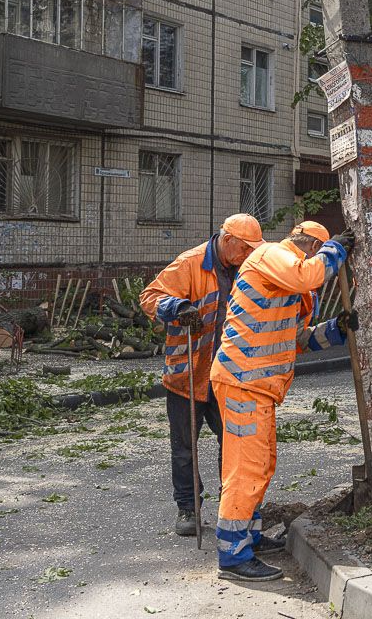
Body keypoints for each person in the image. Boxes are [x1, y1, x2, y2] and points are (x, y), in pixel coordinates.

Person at [211, 220, 354, 582]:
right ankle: (232, 556)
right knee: (246, 468)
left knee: (260, 463)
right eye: (318, 254)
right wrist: (336, 250)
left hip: (254, 384)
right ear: (308, 247)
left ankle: (249, 536)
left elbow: (294, 338)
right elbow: (310, 275)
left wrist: (336, 330)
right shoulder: (274, 254)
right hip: (244, 381)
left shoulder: (283, 277)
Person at [139, 213, 264, 537]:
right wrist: (179, 309)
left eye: (253, 249)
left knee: (234, 445)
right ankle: (188, 508)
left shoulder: (246, 269)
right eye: (245, 248)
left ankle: (230, 509)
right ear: (227, 241)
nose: (249, 254)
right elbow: (149, 297)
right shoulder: (191, 263)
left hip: (228, 375)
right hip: (188, 374)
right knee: (184, 448)